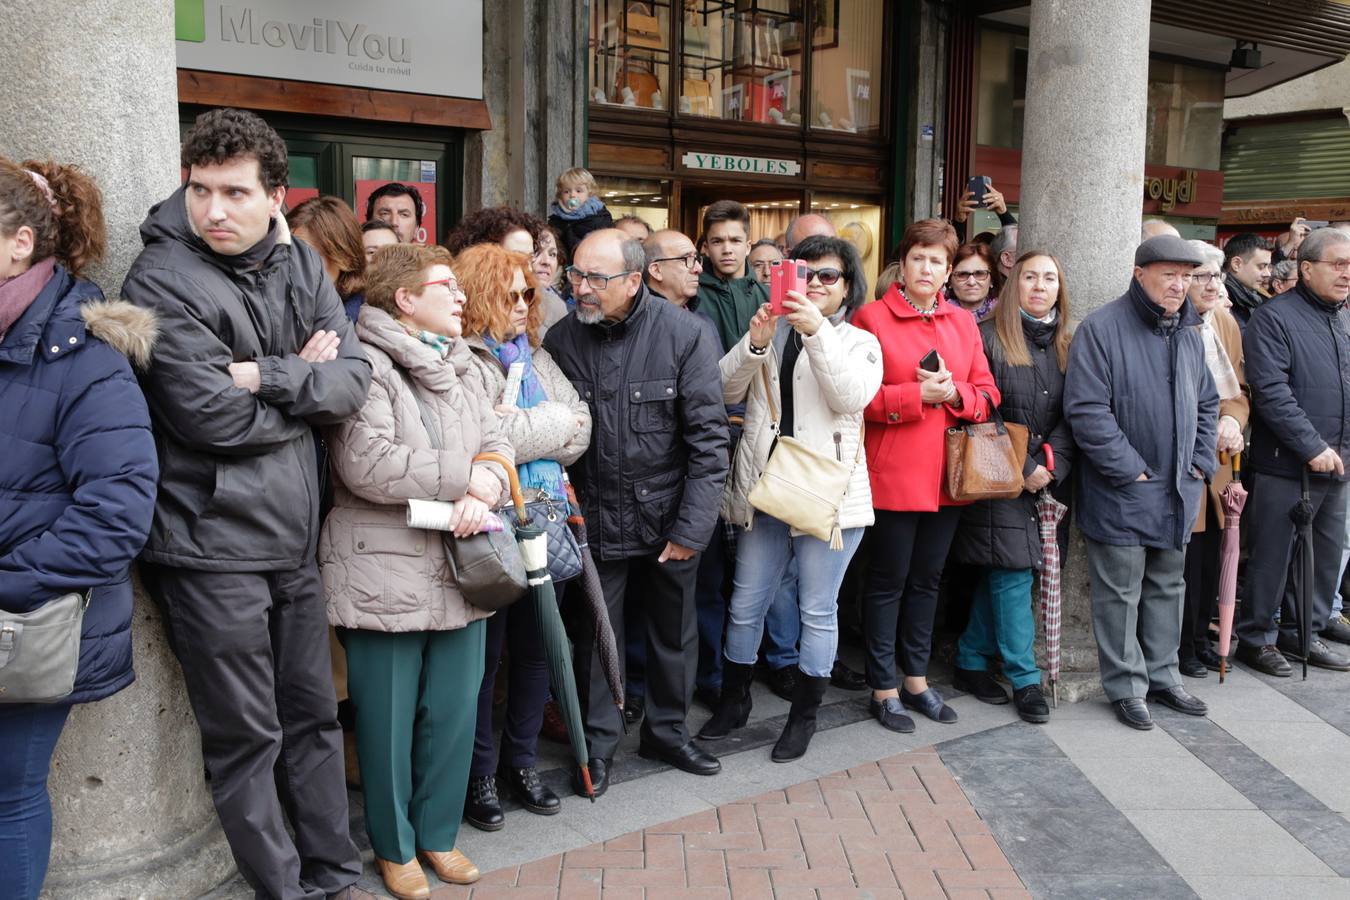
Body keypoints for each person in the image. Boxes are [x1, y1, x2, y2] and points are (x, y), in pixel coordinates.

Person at [123, 108, 370, 900]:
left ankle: (336, 876)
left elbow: (351, 383)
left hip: (293, 539)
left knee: (315, 720)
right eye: (200, 189)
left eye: (234, 192)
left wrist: (265, 373)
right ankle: (282, 890)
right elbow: (209, 417)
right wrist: (302, 379)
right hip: (209, 544)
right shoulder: (159, 276)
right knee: (247, 739)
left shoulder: (298, 262)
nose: (214, 209)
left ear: (275, 196)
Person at [321, 243, 506, 898]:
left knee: (452, 715)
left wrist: (489, 484)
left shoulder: (463, 361)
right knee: (387, 722)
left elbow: (497, 438)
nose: (460, 296)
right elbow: (366, 463)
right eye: (445, 286)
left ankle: (439, 835)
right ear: (405, 298)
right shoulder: (364, 363)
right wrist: (465, 480)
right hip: (383, 570)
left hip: (464, 562)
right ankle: (394, 847)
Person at [0, 158, 159, 900]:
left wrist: (6, 585)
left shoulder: (86, 356)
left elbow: (117, 513)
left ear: (20, 243)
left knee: (8, 793)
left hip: (27, 621)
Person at [544, 229, 728, 793]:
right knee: (596, 639)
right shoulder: (561, 338)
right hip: (593, 517)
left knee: (674, 634)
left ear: (632, 280)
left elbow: (709, 442)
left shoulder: (685, 334)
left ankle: (668, 733)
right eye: (575, 275)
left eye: (595, 278)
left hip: (668, 516)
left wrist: (691, 529)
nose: (581, 288)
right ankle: (598, 747)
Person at [700, 235, 881, 760]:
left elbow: (848, 396)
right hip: (767, 486)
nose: (817, 284)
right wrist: (756, 344)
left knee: (817, 609)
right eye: (807, 273)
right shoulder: (772, 330)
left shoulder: (859, 342)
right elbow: (721, 390)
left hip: (829, 495)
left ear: (847, 286)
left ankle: (804, 717)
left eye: (829, 276)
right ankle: (734, 701)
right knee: (745, 603)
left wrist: (816, 331)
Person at [456, 243, 591, 832]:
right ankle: (479, 773)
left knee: (538, 652)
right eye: (509, 294)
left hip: (546, 520)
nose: (522, 304)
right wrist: (555, 424)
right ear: (480, 294)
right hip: (489, 528)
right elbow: (480, 441)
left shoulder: (536, 354)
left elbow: (584, 428)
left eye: (527, 293)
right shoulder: (461, 358)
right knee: (484, 663)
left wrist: (533, 429)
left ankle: (522, 761)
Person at [1064, 235, 1217, 731]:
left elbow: (1208, 402)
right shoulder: (1102, 328)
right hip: (1122, 488)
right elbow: (1087, 411)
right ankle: (1127, 687)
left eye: (1186, 276)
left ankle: (1164, 678)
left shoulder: (1189, 331)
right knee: (1119, 592)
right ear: (1139, 274)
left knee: (1169, 586)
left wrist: (1199, 462)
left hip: (1178, 487)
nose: (1179, 285)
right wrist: (1130, 469)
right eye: (1169, 274)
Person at [851, 218, 999, 733]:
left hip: (948, 478)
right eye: (919, 258)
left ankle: (916, 679)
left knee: (928, 581)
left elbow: (988, 393)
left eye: (938, 261)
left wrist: (956, 393)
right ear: (903, 262)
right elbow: (855, 398)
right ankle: (882, 688)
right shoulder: (870, 317)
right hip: (892, 473)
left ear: (949, 270)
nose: (927, 268)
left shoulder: (962, 322)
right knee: (886, 581)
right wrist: (916, 396)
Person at [949, 251, 1074, 724]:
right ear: (1012, 284)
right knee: (1013, 571)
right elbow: (979, 409)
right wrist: (1022, 466)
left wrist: (1052, 465)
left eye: (1049, 278)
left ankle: (970, 658)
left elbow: (1076, 412)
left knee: (1010, 569)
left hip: (1049, 476)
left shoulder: (1068, 343)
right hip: (997, 473)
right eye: (1030, 277)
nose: (1040, 286)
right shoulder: (985, 337)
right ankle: (1025, 679)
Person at [1235, 227, 1350, 676]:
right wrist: (1311, 445)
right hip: (1286, 465)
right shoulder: (1274, 318)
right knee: (1273, 557)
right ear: (1306, 268)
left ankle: (1304, 633)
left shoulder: (1343, 318)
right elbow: (1271, 392)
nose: (1346, 274)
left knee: (1323, 559)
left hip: (1338, 462)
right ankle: (1256, 638)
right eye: (1337, 264)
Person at [1175, 241, 1247, 679]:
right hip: (1184, 456)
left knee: (1211, 557)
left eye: (1214, 276)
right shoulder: (1173, 323)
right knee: (1184, 560)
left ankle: (1201, 640)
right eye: (1199, 276)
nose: (1210, 285)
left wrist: (1234, 420)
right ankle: (1181, 646)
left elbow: (1240, 389)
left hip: (1219, 458)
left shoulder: (1223, 322)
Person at [445, 207, 567, 331]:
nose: (529, 269)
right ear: (483, 260)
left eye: (530, 258)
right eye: (516, 258)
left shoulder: (549, 309)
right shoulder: (453, 310)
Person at [696, 200, 768, 351]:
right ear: (706, 248)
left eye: (735, 241)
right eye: (717, 241)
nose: (727, 249)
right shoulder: (690, 295)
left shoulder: (769, 296)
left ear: (748, 247)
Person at [289, 195, 367, 322]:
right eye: (290, 253)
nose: (297, 263)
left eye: (310, 255)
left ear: (345, 258)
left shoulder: (364, 320)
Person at [548, 167, 614, 256]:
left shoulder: (600, 218)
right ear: (560, 195)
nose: (572, 195)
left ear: (589, 193)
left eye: (578, 191)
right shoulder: (555, 222)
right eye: (566, 191)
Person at [1223, 232, 1272, 328]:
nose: (1268, 274)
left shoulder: (1259, 298)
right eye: (1261, 266)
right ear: (1236, 264)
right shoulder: (1217, 300)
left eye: (1268, 266)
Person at [947, 243, 999, 321]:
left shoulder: (1006, 314)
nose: (971, 282)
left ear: (991, 280)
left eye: (979, 274)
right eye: (962, 274)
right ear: (949, 281)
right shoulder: (936, 316)